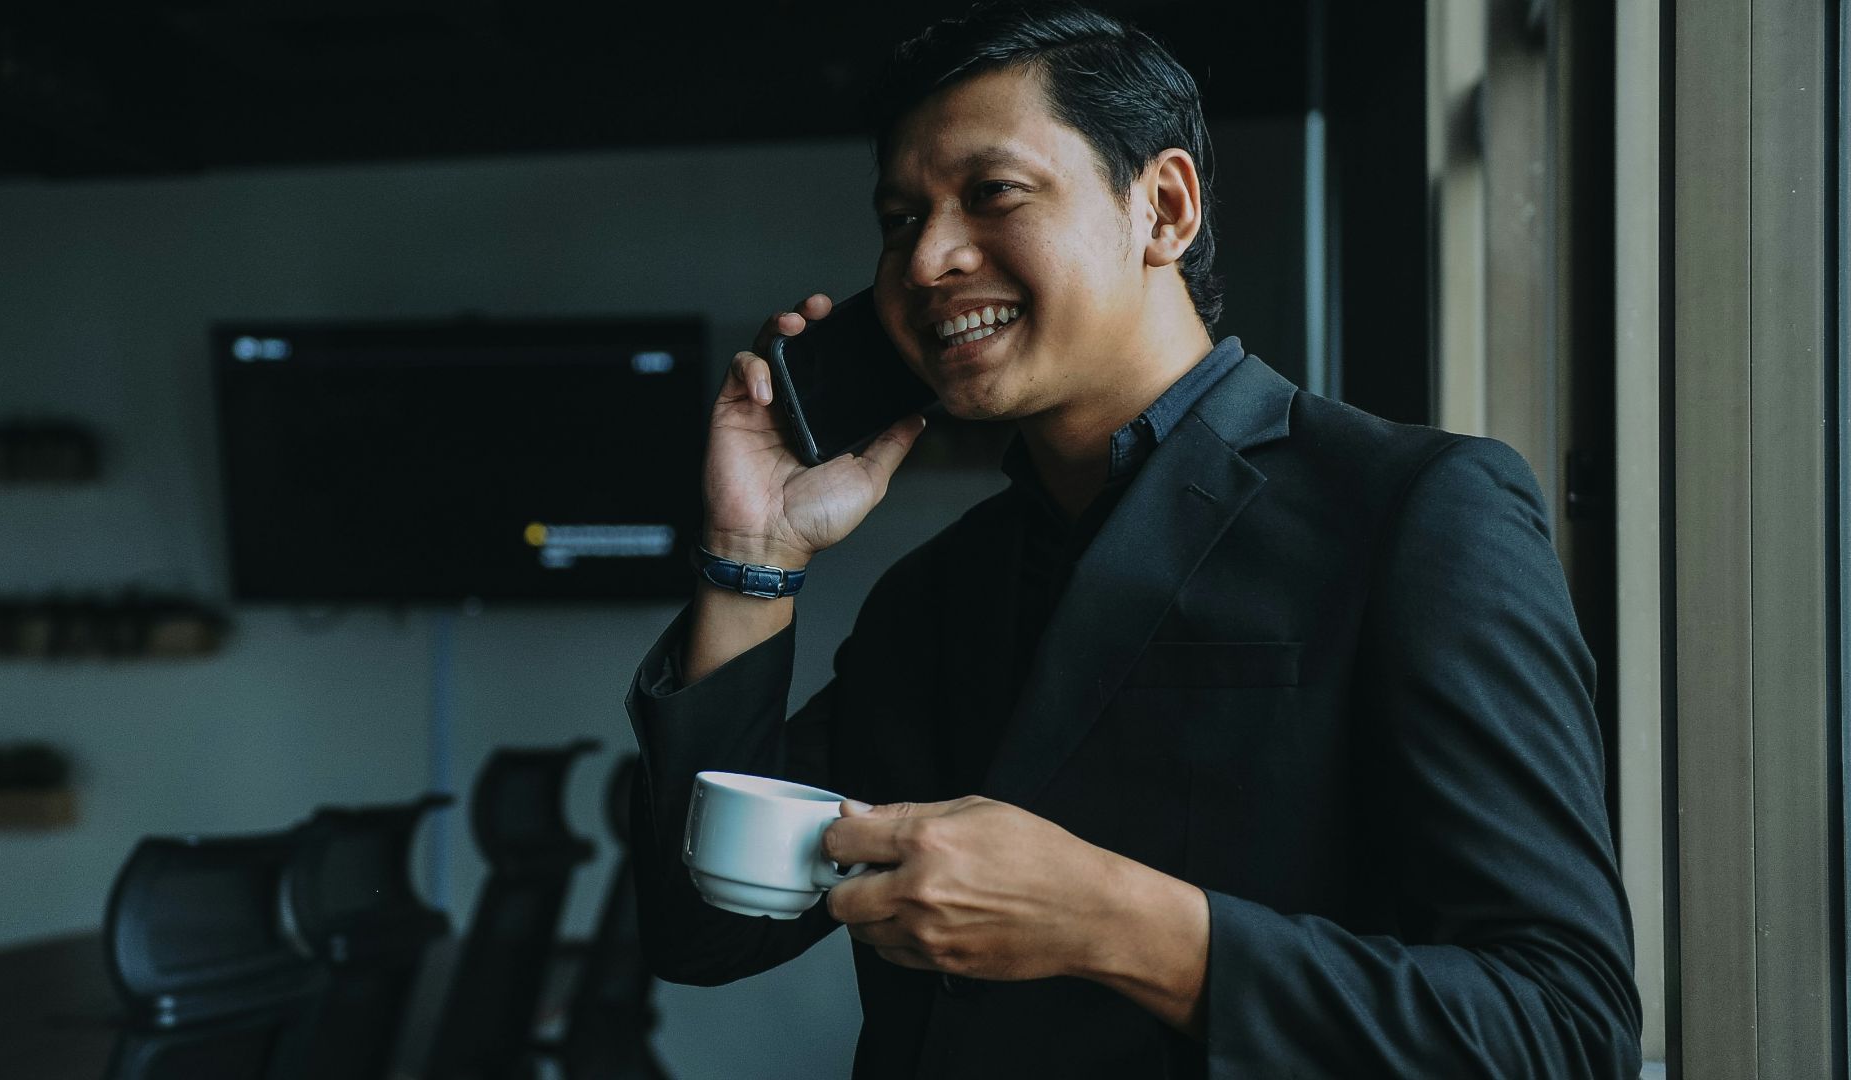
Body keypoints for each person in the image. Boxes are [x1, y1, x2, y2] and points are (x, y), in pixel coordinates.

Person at [623, 2, 1641, 1076]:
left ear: (1163, 206)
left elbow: (1564, 1029)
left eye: (991, 193)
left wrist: (1119, 923)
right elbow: (706, 930)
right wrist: (753, 556)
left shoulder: (1417, 511)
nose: (926, 261)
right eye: (897, 219)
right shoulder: (932, 594)